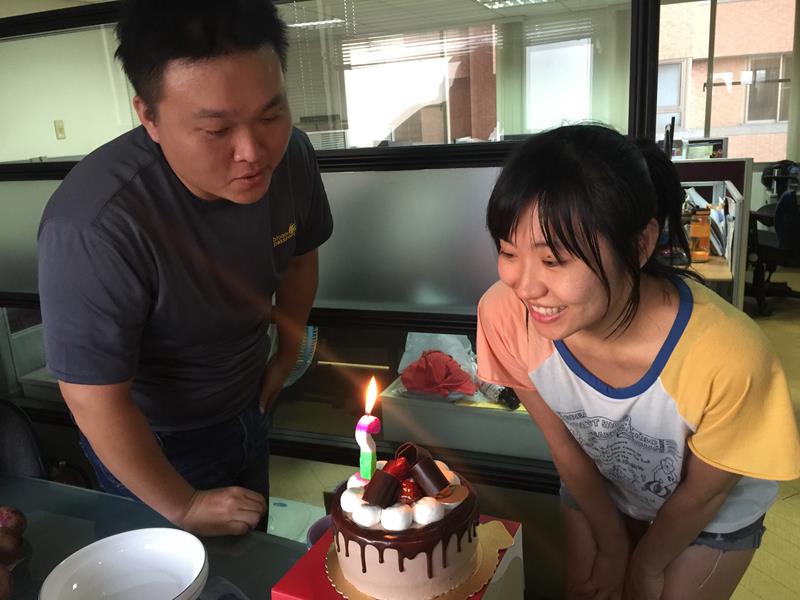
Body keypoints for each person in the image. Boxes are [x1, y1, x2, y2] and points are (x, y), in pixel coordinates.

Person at [37, 0, 332, 537]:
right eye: (217, 130)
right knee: (180, 571)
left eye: (270, 115)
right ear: (148, 116)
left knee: (252, 551)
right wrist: (185, 505)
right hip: (151, 443)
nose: (253, 151)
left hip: (248, 404)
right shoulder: (95, 224)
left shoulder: (291, 156)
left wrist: (286, 354)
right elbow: (91, 398)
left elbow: (299, 256)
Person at [476, 124, 800, 600]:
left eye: (553, 261)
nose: (525, 287)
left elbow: (705, 493)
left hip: (708, 513)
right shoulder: (505, 315)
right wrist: (611, 547)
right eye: (508, 252)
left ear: (640, 244)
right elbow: (565, 449)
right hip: (601, 482)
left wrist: (646, 564)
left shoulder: (728, 355)